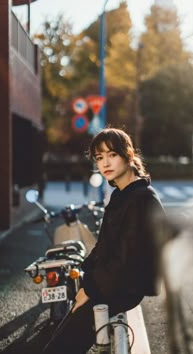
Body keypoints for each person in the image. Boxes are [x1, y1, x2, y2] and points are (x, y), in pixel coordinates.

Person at [43, 127, 166, 354]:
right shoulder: (122, 194)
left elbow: (123, 257)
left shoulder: (141, 199)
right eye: (99, 158)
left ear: (128, 155)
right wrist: (85, 272)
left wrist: (89, 289)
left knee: (62, 344)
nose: (105, 163)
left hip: (125, 286)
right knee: (67, 327)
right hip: (113, 281)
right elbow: (104, 245)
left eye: (112, 154)